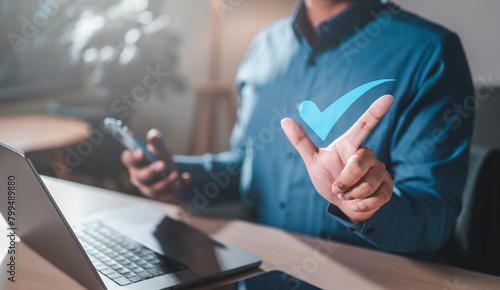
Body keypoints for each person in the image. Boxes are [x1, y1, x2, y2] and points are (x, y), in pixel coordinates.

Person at [121, 0, 474, 259]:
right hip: (259, 272)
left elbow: (436, 216)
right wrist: (178, 174)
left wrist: (369, 205)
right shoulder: (264, 46)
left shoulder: (430, 51)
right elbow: (250, 168)